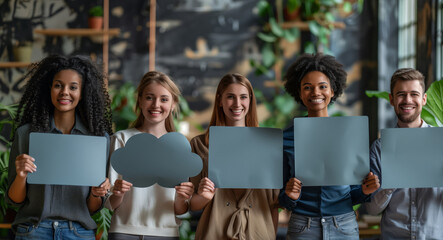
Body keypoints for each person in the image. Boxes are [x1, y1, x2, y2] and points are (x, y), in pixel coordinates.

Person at [7, 54, 112, 239]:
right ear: (49, 89)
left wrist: (97, 194)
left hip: (78, 233)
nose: (64, 92)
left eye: (73, 87)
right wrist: (21, 176)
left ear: (83, 92)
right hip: (33, 230)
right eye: (58, 85)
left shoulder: (98, 140)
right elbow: (15, 201)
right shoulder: (26, 135)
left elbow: (92, 208)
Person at [279, 53, 380, 239]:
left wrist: (366, 191)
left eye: (322, 86)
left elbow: (354, 193)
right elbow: (280, 195)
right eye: (307, 87)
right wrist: (289, 196)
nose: (315, 92)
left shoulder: (350, 135)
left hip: (344, 225)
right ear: (300, 93)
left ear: (333, 91)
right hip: (303, 227)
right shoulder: (287, 138)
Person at [364, 68, 443, 239]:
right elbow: (372, 209)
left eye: (414, 94)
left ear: (424, 99)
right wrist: (392, 181)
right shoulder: (379, 148)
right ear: (391, 99)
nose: (407, 100)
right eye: (401, 94)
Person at [189, 73, 279, 240]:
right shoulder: (199, 144)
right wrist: (202, 196)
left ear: (250, 100)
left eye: (243, 97)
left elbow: (273, 205)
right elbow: (192, 205)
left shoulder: (268, 144)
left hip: (258, 232)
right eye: (230, 97)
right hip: (214, 232)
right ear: (220, 101)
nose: (237, 103)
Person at [106, 71, 194, 240]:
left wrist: (183, 197)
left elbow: (180, 209)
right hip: (124, 232)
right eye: (149, 97)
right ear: (139, 100)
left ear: (174, 103)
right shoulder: (121, 139)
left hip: (166, 233)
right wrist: (117, 192)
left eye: (164, 99)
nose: (156, 105)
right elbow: (111, 204)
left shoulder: (179, 146)